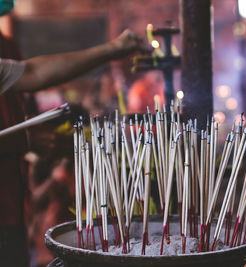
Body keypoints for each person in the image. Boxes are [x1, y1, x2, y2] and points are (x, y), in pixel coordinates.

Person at [0, 2, 150, 266]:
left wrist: (114, 48)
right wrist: (23, 141)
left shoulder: (6, 49)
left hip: (10, 210)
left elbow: (35, 72)